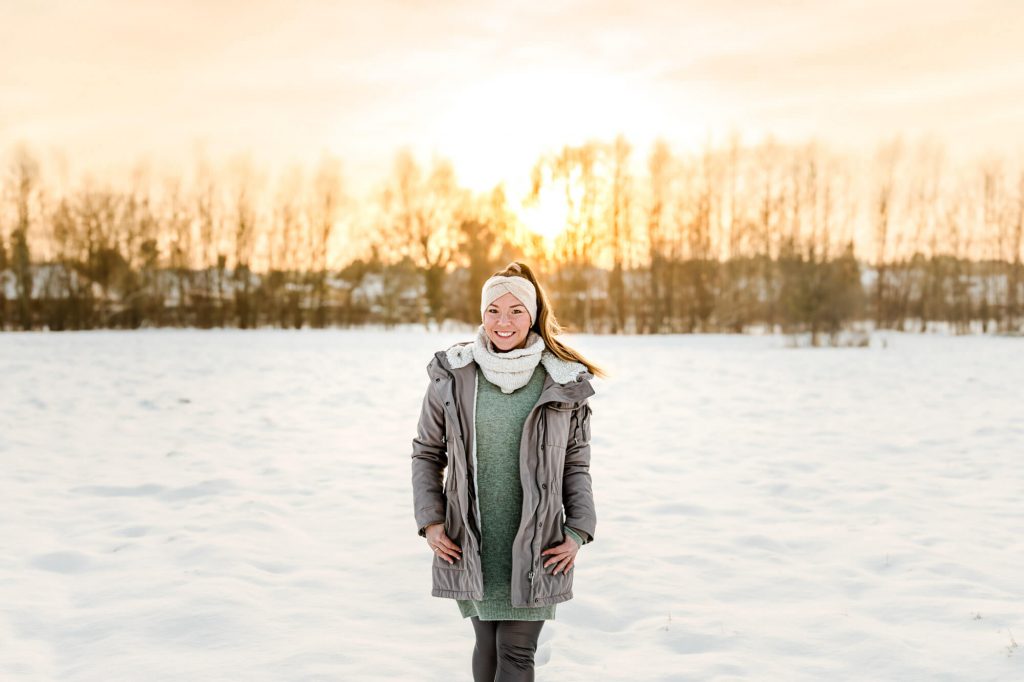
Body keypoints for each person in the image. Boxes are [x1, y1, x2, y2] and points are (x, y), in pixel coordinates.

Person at [410, 261, 608, 681]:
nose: (504, 321)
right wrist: (431, 521)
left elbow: (576, 466)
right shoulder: (454, 376)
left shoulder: (561, 381)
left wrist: (578, 531)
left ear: (533, 316)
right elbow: (427, 452)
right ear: (481, 315)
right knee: (488, 645)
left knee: (515, 652)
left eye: (516, 310)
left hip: (538, 544)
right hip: (472, 541)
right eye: (493, 310)